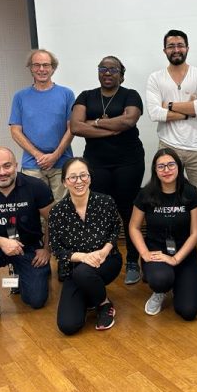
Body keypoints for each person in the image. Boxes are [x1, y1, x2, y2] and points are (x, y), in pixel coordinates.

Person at [70, 56, 145, 285]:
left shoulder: (130, 95)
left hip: (129, 162)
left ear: (122, 74)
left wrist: (94, 123)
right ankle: (105, 257)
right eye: (103, 68)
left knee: (128, 210)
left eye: (113, 69)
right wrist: (111, 128)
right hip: (97, 164)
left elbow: (129, 121)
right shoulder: (86, 96)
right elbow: (76, 127)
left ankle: (132, 261)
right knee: (100, 212)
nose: (108, 72)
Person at [0, 147, 53, 331]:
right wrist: (2, 242)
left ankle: (21, 274)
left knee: (36, 300)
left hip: (30, 247)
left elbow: (53, 220)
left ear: (16, 165)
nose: (2, 172)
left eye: (7, 166)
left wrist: (47, 249)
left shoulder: (36, 186)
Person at [48, 157, 122, 334]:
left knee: (84, 273)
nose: (79, 181)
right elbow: (56, 248)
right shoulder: (57, 212)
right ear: (64, 182)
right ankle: (91, 295)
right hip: (74, 268)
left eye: (83, 175)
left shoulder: (106, 202)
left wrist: (104, 251)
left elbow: (115, 229)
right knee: (68, 325)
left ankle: (104, 304)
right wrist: (83, 257)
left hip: (106, 260)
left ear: (90, 177)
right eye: (72, 177)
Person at [129, 148, 197, 320]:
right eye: (161, 166)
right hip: (156, 251)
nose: (166, 170)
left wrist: (176, 259)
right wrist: (144, 253)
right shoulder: (145, 193)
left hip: (184, 253)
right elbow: (134, 227)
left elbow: (196, 232)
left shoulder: (190, 193)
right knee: (161, 279)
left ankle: (178, 281)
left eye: (171, 165)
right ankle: (160, 290)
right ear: (155, 170)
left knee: (188, 311)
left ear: (178, 167)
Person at [146, 29, 197, 200]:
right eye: (171, 46)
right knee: (167, 199)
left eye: (180, 45)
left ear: (187, 48)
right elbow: (154, 113)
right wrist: (189, 111)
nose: (176, 50)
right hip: (168, 145)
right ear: (164, 50)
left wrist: (169, 105)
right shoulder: (155, 78)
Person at [9, 48, 75, 201]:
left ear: (53, 68)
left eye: (46, 65)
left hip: (61, 163)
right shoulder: (20, 97)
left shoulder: (66, 94)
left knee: (63, 209)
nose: (41, 69)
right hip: (32, 166)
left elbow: (72, 128)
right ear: (31, 68)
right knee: (35, 209)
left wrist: (55, 155)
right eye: (36, 65)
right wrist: (38, 155)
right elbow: (15, 131)